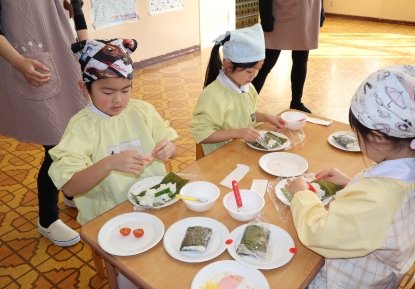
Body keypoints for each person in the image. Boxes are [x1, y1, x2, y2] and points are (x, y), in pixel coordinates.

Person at [285, 65, 415, 289]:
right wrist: (353, 183)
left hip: (342, 288)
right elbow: (386, 210)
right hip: (378, 280)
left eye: (357, 134)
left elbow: (318, 233)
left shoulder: (377, 199)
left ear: (379, 137)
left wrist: (302, 194)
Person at [48, 38, 178, 226]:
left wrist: (170, 148)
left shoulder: (142, 111)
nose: (118, 100)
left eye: (126, 90)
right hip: (108, 215)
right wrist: (109, 164)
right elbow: (69, 187)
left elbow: (174, 149)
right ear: (85, 88)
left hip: (154, 201)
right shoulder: (81, 127)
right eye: (107, 92)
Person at [0, 0, 88, 247]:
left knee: (73, 132)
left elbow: (74, 6)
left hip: (62, 55)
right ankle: (48, 219)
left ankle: (69, 191)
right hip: (30, 64)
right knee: (56, 146)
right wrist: (19, 62)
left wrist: (85, 49)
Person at [190, 23, 285, 156]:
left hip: (242, 150)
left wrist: (265, 117)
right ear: (228, 64)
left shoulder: (247, 87)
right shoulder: (213, 96)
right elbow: (202, 135)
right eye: (249, 71)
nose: (254, 75)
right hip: (220, 158)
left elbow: (247, 115)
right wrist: (238, 133)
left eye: (259, 68)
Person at [252, 0, 322, 113]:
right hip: (281, 12)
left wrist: (321, 10)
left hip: (308, 12)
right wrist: (266, 18)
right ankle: (245, 102)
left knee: (301, 61)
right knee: (266, 64)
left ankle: (296, 102)